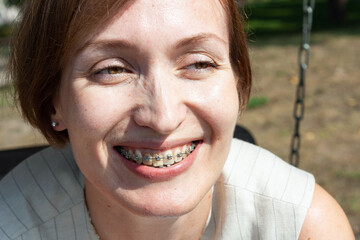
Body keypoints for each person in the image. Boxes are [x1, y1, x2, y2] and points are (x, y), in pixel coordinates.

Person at [1, 0, 354, 239]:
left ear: (238, 80)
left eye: (199, 63)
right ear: (53, 101)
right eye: (111, 69)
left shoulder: (303, 228)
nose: (163, 118)